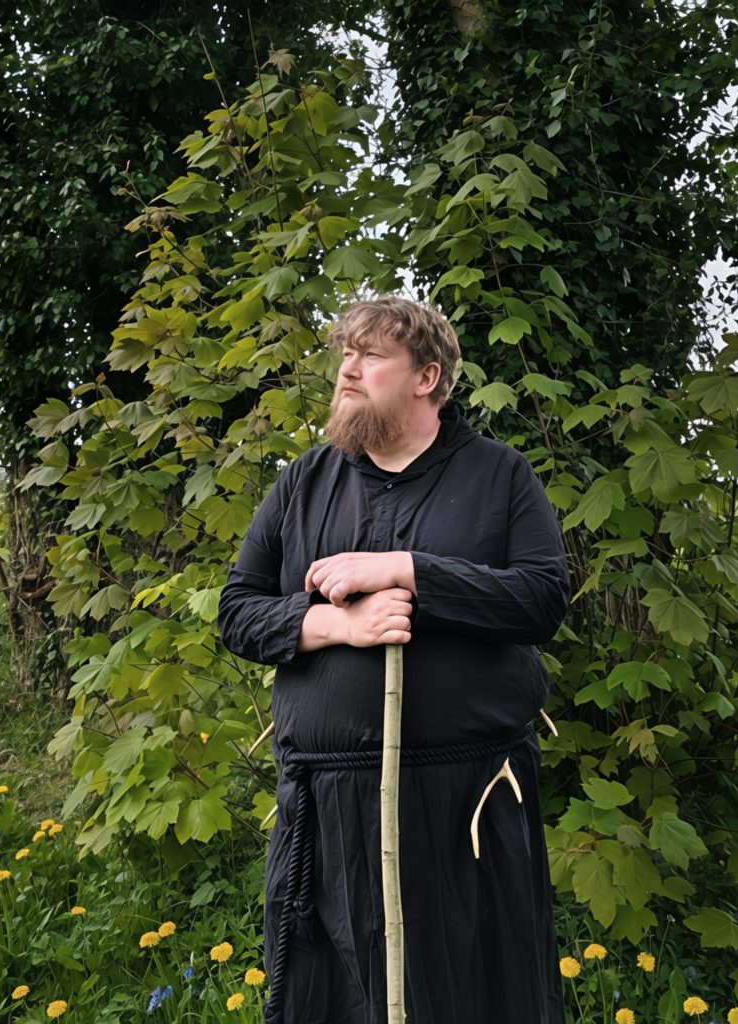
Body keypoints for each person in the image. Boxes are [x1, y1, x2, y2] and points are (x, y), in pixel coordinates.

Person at [217, 295, 571, 1024]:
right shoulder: (304, 481)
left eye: (370, 355)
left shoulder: (499, 476)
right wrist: (332, 626)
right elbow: (237, 611)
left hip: (465, 803)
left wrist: (408, 570)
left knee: (474, 996)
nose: (347, 369)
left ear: (426, 376)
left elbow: (541, 599)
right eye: (345, 353)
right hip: (328, 805)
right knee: (335, 998)